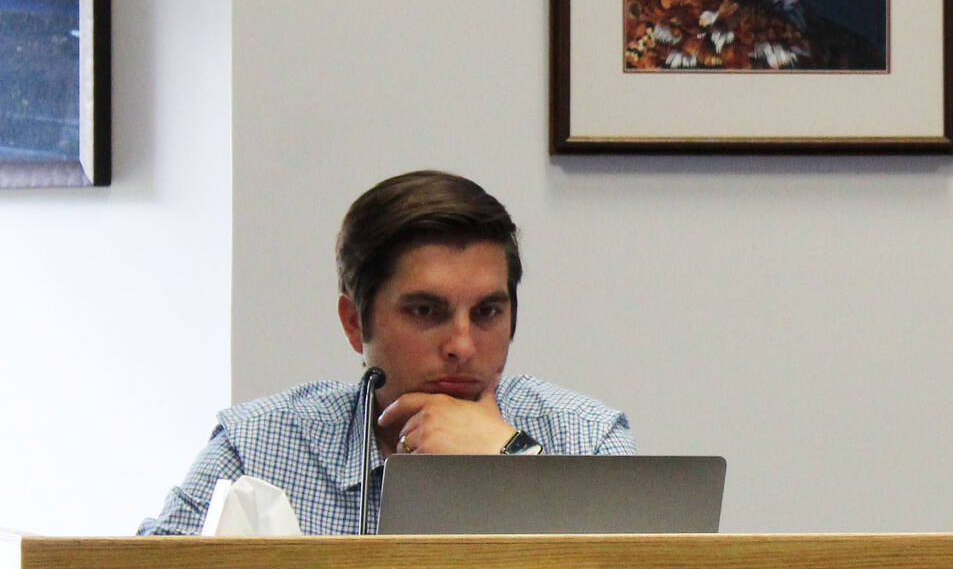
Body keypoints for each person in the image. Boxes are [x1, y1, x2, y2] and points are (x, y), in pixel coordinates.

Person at [140, 170, 633, 535]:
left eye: (486, 312)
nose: (462, 345)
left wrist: (514, 458)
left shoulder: (585, 436)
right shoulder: (259, 446)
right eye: (425, 311)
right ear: (355, 323)